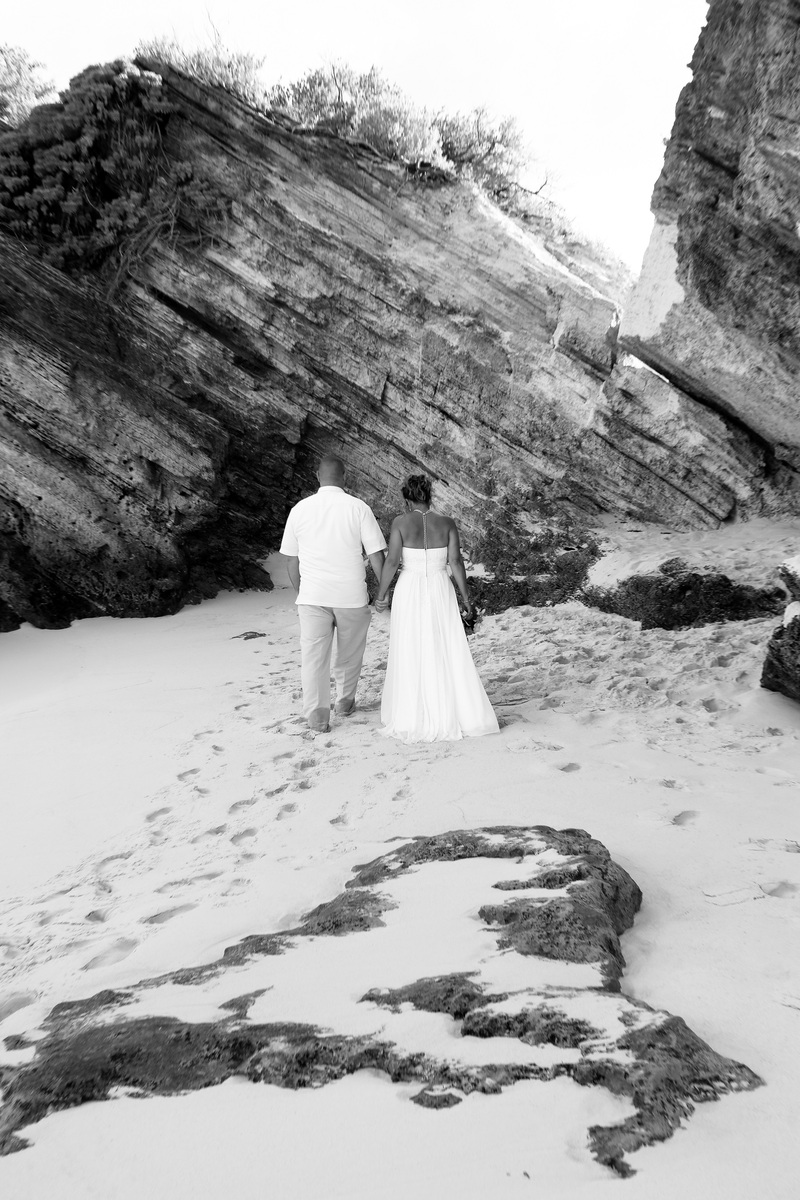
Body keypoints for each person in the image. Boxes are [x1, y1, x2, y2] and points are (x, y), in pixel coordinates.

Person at [374, 474, 499, 742]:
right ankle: (456, 710)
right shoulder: (447, 523)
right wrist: (466, 599)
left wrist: (381, 594)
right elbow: (455, 562)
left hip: (409, 587)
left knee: (410, 644)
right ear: (429, 496)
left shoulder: (400, 523)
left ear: (407, 499)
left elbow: (392, 561)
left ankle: (412, 713)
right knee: (445, 644)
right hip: (440, 587)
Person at [280, 455, 387, 733]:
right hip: (350, 596)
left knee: (313, 657)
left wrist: (302, 591)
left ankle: (317, 716)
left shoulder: (300, 509)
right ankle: (344, 701)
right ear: (345, 476)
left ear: (317, 476)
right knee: (350, 653)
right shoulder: (358, 507)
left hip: (313, 597)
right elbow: (376, 554)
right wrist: (384, 591)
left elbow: (291, 559)